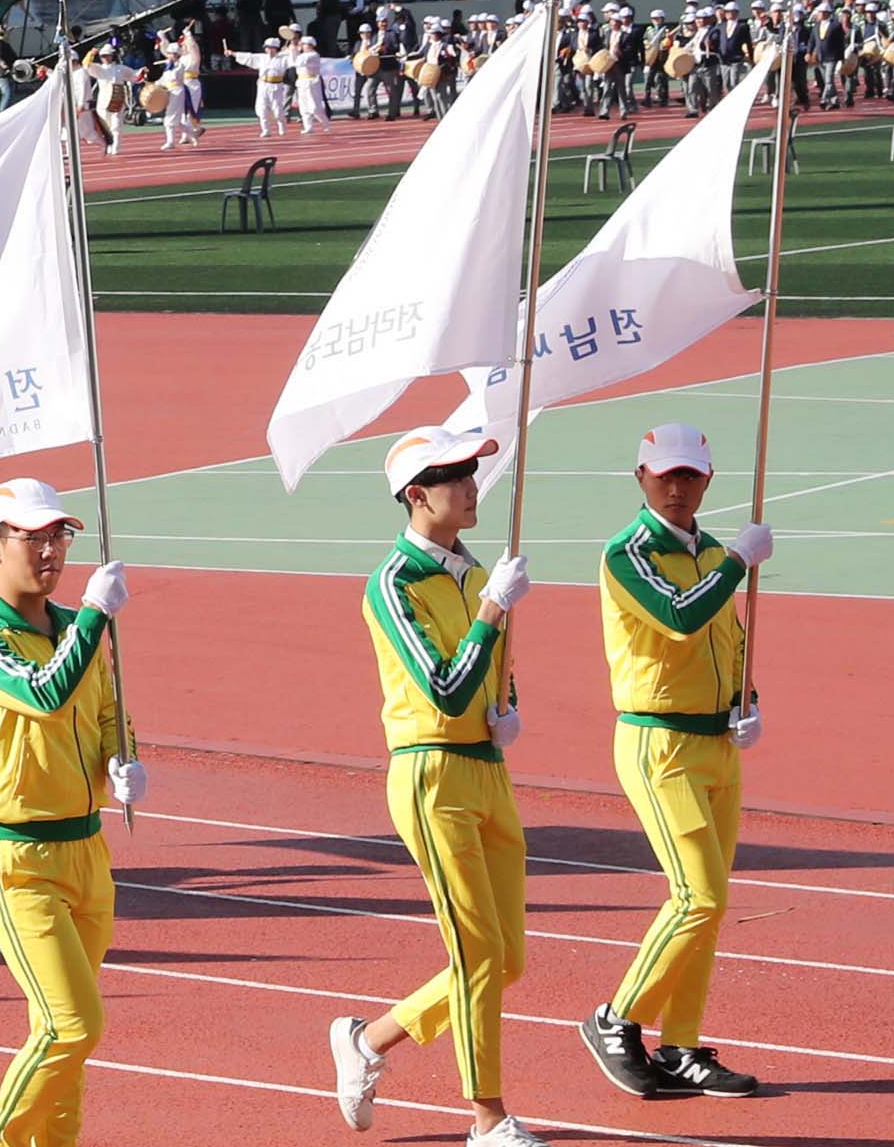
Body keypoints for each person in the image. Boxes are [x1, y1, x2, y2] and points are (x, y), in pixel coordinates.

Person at [328, 426, 540, 1147]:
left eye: (472, 473)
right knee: (478, 952)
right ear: (417, 495)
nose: (473, 486)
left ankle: (368, 1041)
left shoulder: (476, 572)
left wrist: (509, 708)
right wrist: (490, 613)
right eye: (455, 477)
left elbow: (490, 680)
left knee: (505, 957)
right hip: (430, 770)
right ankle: (487, 1118)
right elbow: (446, 689)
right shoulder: (393, 581)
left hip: (486, 768)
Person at [0, 478, 141, 1147]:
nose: (52, 549)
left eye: (60, 535)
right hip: (18, 860)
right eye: (35, 536)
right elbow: (46, 693)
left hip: (86, 851)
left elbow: (107, 706)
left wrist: (122, 759)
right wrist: (92, 615)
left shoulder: (71, 628)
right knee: (72, 1026)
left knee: (63, 1042)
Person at [579, 423, 771, 1100]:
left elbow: (732, 639)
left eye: (690, 475)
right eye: (666, 475)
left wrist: (748, 700)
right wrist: (736, 566)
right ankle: (616, 1017)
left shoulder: (715, 550)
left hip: (718, 744)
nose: (678, 486)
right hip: (659, 743)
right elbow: (680, 615)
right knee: (699, 896)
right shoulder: (626, 553)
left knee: (710, 907)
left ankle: (682, 1045)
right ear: (641, 479)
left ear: (708, 480)